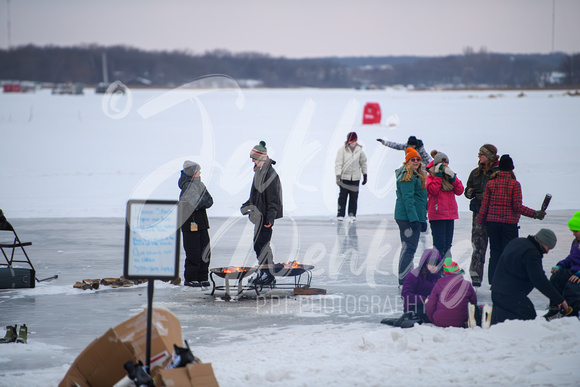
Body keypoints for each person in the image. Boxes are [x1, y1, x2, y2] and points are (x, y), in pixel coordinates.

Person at [476, 154, 545, 284]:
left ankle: (493, 281)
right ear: (511, 168)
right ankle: (507, 281)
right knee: (508, 253)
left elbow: (484, 206)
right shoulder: (515, 185)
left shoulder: (491, 184)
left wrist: (480, 221)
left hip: (492, 224)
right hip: (509, 225)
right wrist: (534, 214)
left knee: (495, 252)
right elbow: (517, 206)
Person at [490, 229, 569, 324]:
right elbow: (539, 280)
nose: (548, 252)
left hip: (496, 292)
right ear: (543, 241)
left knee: (512, 315)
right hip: (509, 295)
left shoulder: (518, 242)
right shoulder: (532, 253)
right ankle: (490, 318)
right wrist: (559, 299)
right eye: (549, 247)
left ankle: (493, 317)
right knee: (529, 318)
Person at [241, 141, 283, 286]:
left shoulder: (270, 175)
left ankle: (268, 274)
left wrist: (270, 219)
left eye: (254, 158)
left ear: (261, 158)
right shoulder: (259, 172)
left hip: (265, 217)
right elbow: (255, 194)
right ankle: (265, 271)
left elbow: (273, 200)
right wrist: (247, 205)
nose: (252, 161)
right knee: (258, 245)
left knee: (263, 245)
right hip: (259, 216)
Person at [465, 144, 499, 287]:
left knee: (496, 248)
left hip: (495, 215)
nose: (479, 157)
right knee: (478, 246)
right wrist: (471, 192)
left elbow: (500, 193)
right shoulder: (475, 173)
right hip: (478, 214)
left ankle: (496, 279)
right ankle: (476, 278)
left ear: (489, 156)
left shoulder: (499, 172)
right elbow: (466, 191)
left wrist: (485, 195)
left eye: (481, 154)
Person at [394, 147, 428, 285]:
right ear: (407, 161)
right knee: (409, 248)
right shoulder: (407, 176)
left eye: (418, 159)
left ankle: (406, 277)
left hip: (411, 216)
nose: (415, 161)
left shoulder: (415, 175)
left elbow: (419, 200)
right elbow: (409, 200)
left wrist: (422, 219)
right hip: (407, 218)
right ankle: (404, 279)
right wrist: (414, 219)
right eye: (412, 159)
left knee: (408, 248)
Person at [178, 160, 214, 287]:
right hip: (190, 224)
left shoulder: (200, 184)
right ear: (193, 172)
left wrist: (200, 200)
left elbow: (209, 201)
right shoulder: (187, 186)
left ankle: (202, 277)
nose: (200, 172)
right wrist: (200, 201)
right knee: (193, 252)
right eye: (198, 170)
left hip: (202, 223)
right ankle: (191, 278)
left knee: (205, 251)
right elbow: (196, 203)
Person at [426, 150, 464, 260]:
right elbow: (432, 191)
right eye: (441, 163)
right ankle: (437, 269)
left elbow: (460, 191)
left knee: (448, 245)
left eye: (446, 163)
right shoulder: (430, 177)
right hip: (437, 215)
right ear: (436, 164)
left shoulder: (450, 176)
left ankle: (447, 268)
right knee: (439, 245)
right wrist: (438, 176)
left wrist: (453, 178)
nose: (444, 165)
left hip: (450, 215)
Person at [425, 258, 477, 328]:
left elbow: (430, 305)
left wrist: (432, 318)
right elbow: (474, 302)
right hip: (461, 320)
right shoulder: (467, 284)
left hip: (440, 320)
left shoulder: (439, 284)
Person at [548, 211, 580, 316]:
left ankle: (571, 312)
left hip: (578, 275)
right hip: (573, 271)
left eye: (576, 231)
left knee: (572, 287)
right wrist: (560, 266)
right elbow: (571, 258)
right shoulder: (576, 242)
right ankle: (555, 308)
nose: (573, 234)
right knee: (556, 278)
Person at [401, 249, 442, 320]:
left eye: (436, 264)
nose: (434, 266)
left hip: (431, 307)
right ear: (425, 263)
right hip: (414, 309)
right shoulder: (413, 275)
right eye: (431, 263)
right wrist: (424, 300)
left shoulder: (438, 277)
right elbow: (405, 295)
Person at [335, 132, 368, 221]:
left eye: (354, 140)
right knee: (343, 197)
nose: (353, 142)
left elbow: (363, 163)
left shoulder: (359, 151)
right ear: (348, 141)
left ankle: (352, 214)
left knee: (353, 197)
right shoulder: (342, 150)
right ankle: (340, 214)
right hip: (344, 178)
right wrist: (338, 176)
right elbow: (338, 164)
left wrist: (365, 174)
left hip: (355, 178)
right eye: (351, 141)